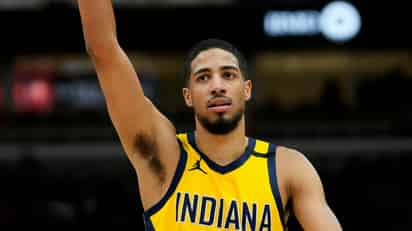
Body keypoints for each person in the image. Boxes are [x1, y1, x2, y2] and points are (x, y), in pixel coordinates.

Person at [76, 1, 342, 230]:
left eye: (228, 75)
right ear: (188, 95)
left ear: (246, 89)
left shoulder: (288, 167)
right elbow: (103, 49)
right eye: (203, 77)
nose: (217, 85)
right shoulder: (167, 157)